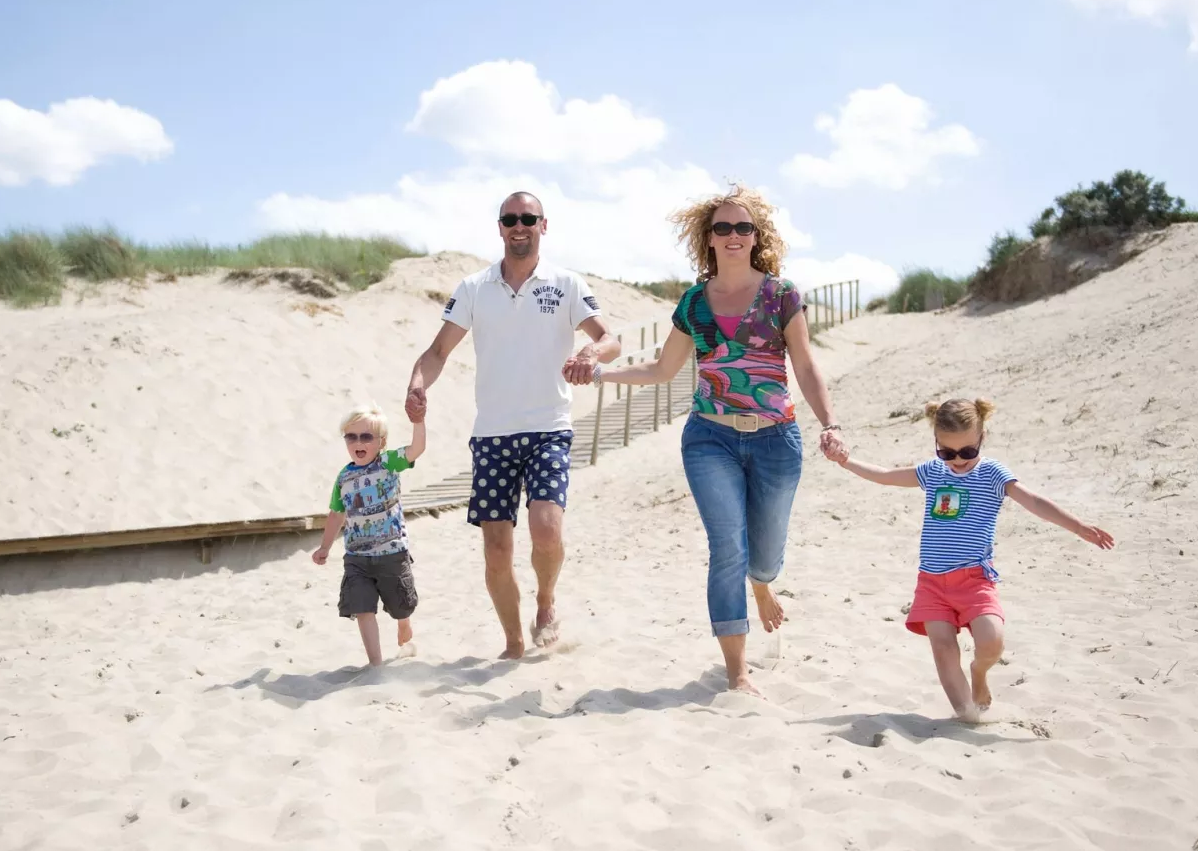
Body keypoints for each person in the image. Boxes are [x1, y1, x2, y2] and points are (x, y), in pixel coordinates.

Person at [570, 186, 846, 694]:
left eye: (744, 228)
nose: (734, 235)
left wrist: (829, 422)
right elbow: (661, 369)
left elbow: (804, 364)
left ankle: (762, 586)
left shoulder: (781, 295)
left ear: (756, 237)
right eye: (724, 228)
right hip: (709, 439)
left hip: (776, 440)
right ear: (710, 239)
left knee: (763, 557)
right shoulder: (694, 303)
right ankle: (737, 674)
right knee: (727, 549)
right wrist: (602, 376)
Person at [405, 191, 621, 659]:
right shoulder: (473, 288)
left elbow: (610, 339)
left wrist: (589, 353)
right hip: (491, 436)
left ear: (544, 225)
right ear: (499, 227)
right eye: (510, 219)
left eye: (528, 218)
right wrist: (418, 384)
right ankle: (513, 642)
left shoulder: (567, 283)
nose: (518, 226)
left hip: (548, 429)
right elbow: (438, 352)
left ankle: (545, 602)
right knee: (497, 550)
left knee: (547, 531)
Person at [837, 397, 1115, 721]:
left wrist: (1078, 527)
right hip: (932, 582)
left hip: (974, 580)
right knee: (942, 649)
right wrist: (846, 461)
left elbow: (1036, 502)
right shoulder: (932, 471)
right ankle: (967, 715)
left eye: (967, 452)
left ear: (981, 438)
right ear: (937, 444)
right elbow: (885, 475)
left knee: (991, 641)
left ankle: (979, 673)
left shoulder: (993, 473)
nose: (958, 461)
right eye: (947, 452)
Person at [311, 403, 427, 667]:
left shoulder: (388, 462)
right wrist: (325, 547)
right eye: (351, 437)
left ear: (381, 442)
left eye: (366, 437)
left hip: (391, 552)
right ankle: (376, 664)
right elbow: (336, 514)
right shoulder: (344, 477)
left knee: (401, 604)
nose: (358, 442)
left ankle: (403, 623)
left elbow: (416, 449)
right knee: (362, 607)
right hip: (357, 557)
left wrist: (418, 421)